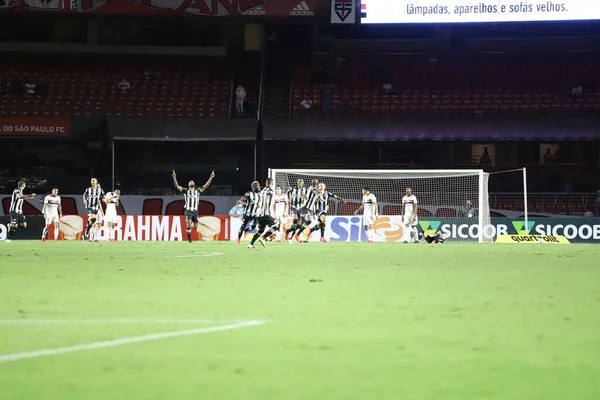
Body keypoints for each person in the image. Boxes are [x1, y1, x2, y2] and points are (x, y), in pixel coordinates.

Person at [172, 170, 215, 243]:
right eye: (190, 182)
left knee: (195, 227)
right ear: (188, 185)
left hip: (195, 211)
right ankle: (190, 241)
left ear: (194, 184)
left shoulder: (198, 191)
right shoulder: (185, 191)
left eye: (192, 182)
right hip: (188, 210)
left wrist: (211, 177)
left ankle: (193, 222)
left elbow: (206, 186)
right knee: (188, 223)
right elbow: (177, 186)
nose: (191, 182)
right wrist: (174, 177)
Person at [249, 179, 278, 249]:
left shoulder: (262, 190)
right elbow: (266, 200)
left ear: (266, 183)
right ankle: (263, 238)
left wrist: (256, 211)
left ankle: (251, 243)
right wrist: (267, 212)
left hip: (259, 213)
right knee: (276, 226)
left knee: (261, 229)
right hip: (265, 213)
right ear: (272, 183)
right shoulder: (270, 191)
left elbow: (258, 201)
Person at [237, 181, 262, 245]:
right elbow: (240, 201)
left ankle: (247, 230)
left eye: (259, 185)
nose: (259, 187)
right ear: (254, 187)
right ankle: (238, 239)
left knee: (253, 226)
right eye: (257, 185)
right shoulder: (248, 193)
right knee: (243, 225)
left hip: (255, 213)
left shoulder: (260, 194)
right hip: (247, 213)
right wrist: (245, 203)